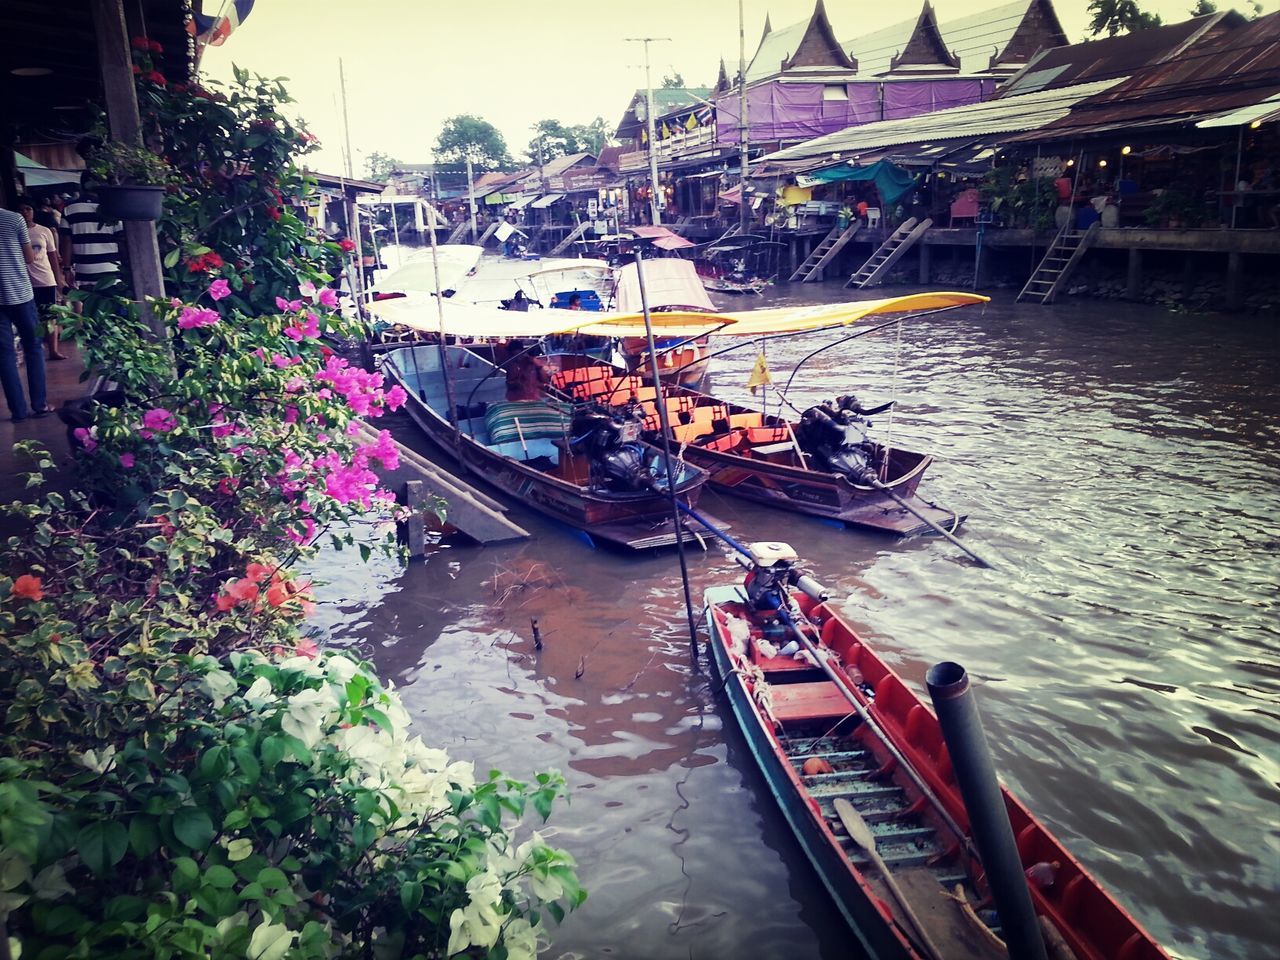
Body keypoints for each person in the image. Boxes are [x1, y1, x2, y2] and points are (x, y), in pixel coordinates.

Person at [0, 206, 50, 422]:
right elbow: (29, 258)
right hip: (20, 293)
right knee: (33, 347)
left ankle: (18, 412)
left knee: (4, 355)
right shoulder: (14, 219)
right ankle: (39, 405)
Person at [17, 199, 68, 360]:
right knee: (31, 317)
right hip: (23, 281)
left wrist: (58, 277)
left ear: (33, 211)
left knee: (50, 316)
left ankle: (53, 350)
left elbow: (53, 256)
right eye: (21, 210)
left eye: (28, 208)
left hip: (45, 279)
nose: (25, 212)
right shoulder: (12, 232)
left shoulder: (44, 231)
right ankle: (34, 349)